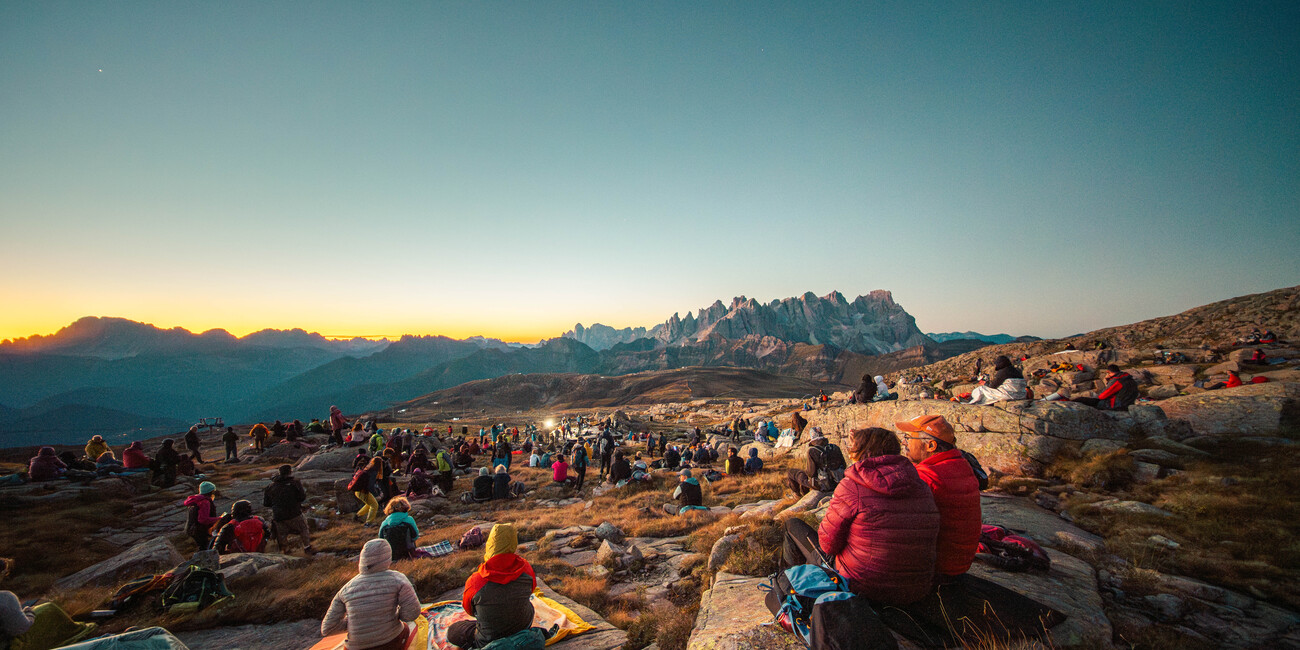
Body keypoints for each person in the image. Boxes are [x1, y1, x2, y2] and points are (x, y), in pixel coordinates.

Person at [780, 428, 939, 605]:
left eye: (854, 448)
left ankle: (790, 594)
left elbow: (827, 544)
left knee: (792, 525)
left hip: (863, 587)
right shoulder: (921, 485)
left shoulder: (853, 486)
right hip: (916, 588)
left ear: (864, 452)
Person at [896, 415, 981, 581]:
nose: (904, 442)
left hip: (938, 568)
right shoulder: (959, 464)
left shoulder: (928, 476)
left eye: (908, 437)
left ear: (931, 445)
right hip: (958, 564)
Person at [447, 524, 537, 649]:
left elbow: (469, 610)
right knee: (529, 606)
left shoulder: (476, 580)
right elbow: (531, 589)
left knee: (453, 631)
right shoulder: (525, 568)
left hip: (488, 639)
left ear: (490, 544)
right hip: (523, 627)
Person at [321, 538, 420, 649]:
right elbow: (412, 613)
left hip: (354, 647)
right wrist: (392, 616)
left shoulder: (346, 589)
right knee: (405, 628)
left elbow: (327, 629)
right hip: (389, 643)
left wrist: (356, 623)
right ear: (387, 558)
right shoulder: (398, 579)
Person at [264, 465, 316, 555]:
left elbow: (266, 503)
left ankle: (286, 551)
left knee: (282, 534)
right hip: (294, 513)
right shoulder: (295, 482)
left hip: (278, 516)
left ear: (279, 472)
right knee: (303, 529)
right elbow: (302, 497)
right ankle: (307, 548)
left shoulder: (270, 486)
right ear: (290, 472)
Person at [785, 429, 846, 497]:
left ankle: (797, 496)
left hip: (822, 485)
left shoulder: (812, 451)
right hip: (838, 482)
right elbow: (844, 465)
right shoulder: (835, 447)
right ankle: (804, 494)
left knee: (792, 473)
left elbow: (811, 473)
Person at [379, 497, 431, 561]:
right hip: (407, 551)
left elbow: (381, 538)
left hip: (390, 553)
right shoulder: (409, 519)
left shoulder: (385, 523)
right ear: (405, 507)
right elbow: (415, 536)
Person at [1073, 365, 1139, 411]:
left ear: (1108, 372)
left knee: (1080, 400)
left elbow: (1102, 396)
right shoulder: (1129, 379)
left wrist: (1108, 380)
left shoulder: (1117, 381)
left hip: (1115, 405)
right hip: (1127, 404)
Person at [184, 481, 221, 551]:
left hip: (191, 529)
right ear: (210, 492)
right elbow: (203, 519)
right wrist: (219, 519)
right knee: (204, 548)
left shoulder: (196, 500)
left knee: (201, 547)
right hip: (199, 530)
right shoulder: (205, 502)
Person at [353, 458, 382, 526]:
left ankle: (358, 516)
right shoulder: (374, 472)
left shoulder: (367, 469)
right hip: (363, 492)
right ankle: (368, 523)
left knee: (370, 504)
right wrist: (376, 495)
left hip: (358, 491)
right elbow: (370, 485)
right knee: (374, 505)